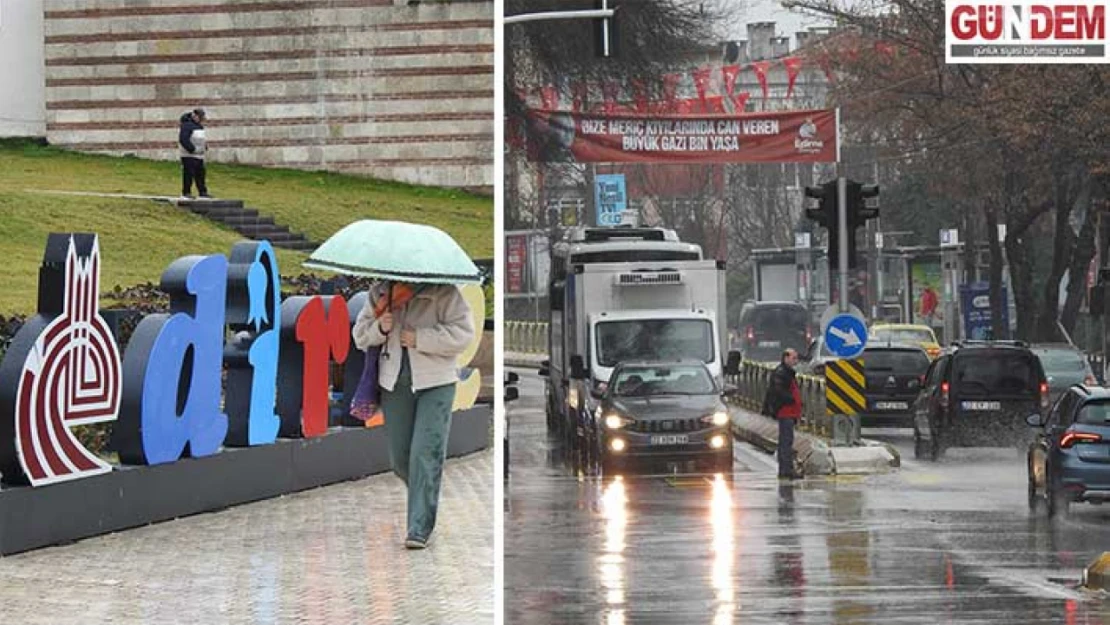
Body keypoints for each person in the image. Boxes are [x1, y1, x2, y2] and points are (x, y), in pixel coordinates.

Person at [352, 281, 475, 550]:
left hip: (436, 383)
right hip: (393, 383)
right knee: (400, 458)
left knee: (425, 452)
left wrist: (421, 339)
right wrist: (380, 328)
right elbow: (360, 336)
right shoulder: (380, 293)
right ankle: (425, 496)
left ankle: (419, 527)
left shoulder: (444, 292)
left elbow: (464, 334)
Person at [763, 348, 803, 479]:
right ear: (786, 358)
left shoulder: (787, 372)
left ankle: (786, 468)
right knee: (786, 442)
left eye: (796, 358)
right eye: (793, 358)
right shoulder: (782, 373)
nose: (795, 361)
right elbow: (778, 391)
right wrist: (791, 399)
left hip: (790, 412)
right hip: (786, 412)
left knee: (787, 441)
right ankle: (786, 470)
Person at [179, 108, 210, 200]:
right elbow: (183, 139)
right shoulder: (186, 126)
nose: (201, 120)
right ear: (194, 116)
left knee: (201, 174)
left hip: (199, 156)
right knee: (188, 174)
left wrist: (204, 146)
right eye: (200, 118)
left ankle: (202, 192)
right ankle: (186, 192)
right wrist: (192, 149)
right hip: (189, 155)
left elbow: (200, 139)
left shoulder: (199, 126)